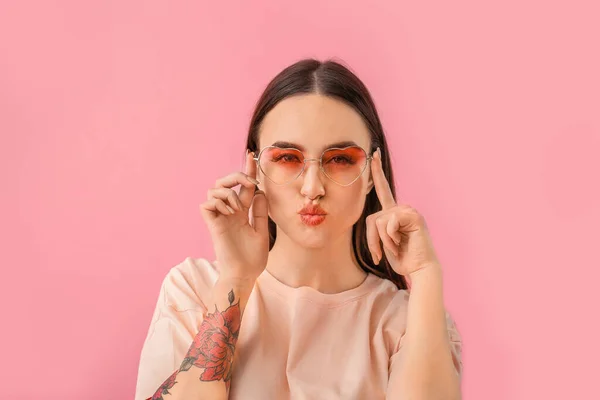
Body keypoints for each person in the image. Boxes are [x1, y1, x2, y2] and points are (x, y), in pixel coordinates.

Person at [134, 58, 463, 400]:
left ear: (370, 174)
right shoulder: (193, 291)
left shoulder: (412, 322)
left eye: (339, 159)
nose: (312, 188)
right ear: (256, 169)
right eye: (287, 158)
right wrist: (236, 280)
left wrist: (426, 273)